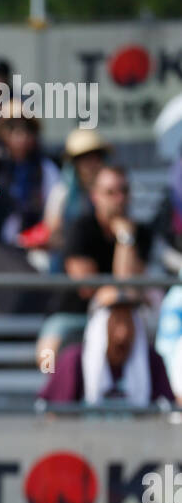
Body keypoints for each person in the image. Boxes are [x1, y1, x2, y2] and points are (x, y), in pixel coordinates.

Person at [37, 165, 152, 366]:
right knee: (48, 351)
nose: (119, 199)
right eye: (110, 192)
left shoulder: (138, 233)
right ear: (95, 196)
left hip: (119, 318)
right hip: (74, 314)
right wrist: (113, 292)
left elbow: (128, 284)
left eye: (124, 191)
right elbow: (87, 287)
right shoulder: (81, 228)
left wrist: (124, 238)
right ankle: (50, 391)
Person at [39, 286, 174, 407]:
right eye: (116, 320)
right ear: (100, 324)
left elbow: (168, 410)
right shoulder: (74, 360)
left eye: (128, 319)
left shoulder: (152, 360)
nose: (123, 332)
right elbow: (53, 414)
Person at [0, 105, 59, 242]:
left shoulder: (45, 168)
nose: (20, 134)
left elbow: (52, 215)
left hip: (33, 245)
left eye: (27, 129)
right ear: (2, 133)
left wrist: (37, 237)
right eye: (12, 128)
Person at [43, 127, 112, 258]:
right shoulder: (62, 192)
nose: (91, 163)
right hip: (69, 257)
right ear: (74, 163)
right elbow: (52, 231)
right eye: (84, 158)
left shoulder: (115, 189)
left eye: (96, 156)